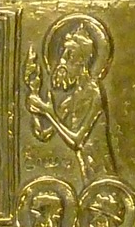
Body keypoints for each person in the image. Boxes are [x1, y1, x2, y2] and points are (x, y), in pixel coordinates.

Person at [26, 14, 117, 186]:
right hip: (86, 176)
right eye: (63, 53)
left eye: (69, 55)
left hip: (102, 176)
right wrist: (35, 97)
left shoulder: (93, 93)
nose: (62, 60)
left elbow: (76, 141)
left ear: (82, 61)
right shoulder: (71, 99)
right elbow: (44, 134)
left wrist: (48, 112)